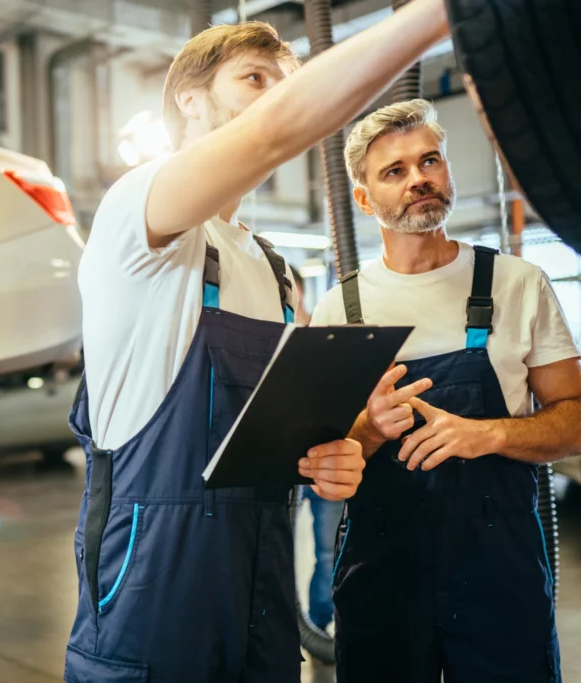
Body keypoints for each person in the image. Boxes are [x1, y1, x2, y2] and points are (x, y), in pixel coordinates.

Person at [63, 3, 449, 681]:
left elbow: (280, 440)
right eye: (255, 78)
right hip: (155, 595)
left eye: (288, 80)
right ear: (189, 101)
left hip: (262, 593)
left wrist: (336, 456)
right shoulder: (141, 215)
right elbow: (277, 131)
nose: (278, 96)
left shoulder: (273, 272)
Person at [311, 99, 581, 683]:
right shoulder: (341, 309)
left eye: (429, 160)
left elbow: (576, 420)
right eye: (395, 171)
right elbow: (327, 460)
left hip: (499, 567)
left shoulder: (516, 282)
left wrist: (489, 434)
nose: (419, 179)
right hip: (381, 568)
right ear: (363, 199)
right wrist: (367, 428)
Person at [291, 270, 345, 633]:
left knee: (328, 555)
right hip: (283, 468)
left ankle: (320, 625)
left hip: (325, 463)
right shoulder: (263, 334)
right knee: (273, 553)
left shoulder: (324, 332)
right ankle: (284, 627)